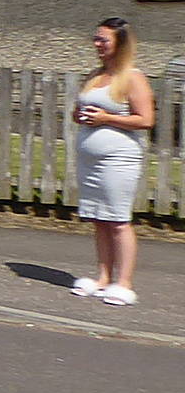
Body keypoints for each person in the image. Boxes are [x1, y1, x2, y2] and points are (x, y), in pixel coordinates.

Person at [70, 18, 155, 307]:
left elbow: (145, 120)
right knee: (99, 220)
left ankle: (124, 283)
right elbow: (77, 111)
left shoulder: (132, 77)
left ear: (120, 43)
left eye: (103, 40)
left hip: (118, 160)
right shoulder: (96, 75)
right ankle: (103, 278)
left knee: (118, 221)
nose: (97, 45)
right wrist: (81, 116)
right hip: (89, 160)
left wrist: (107, 118)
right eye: (95, 39)